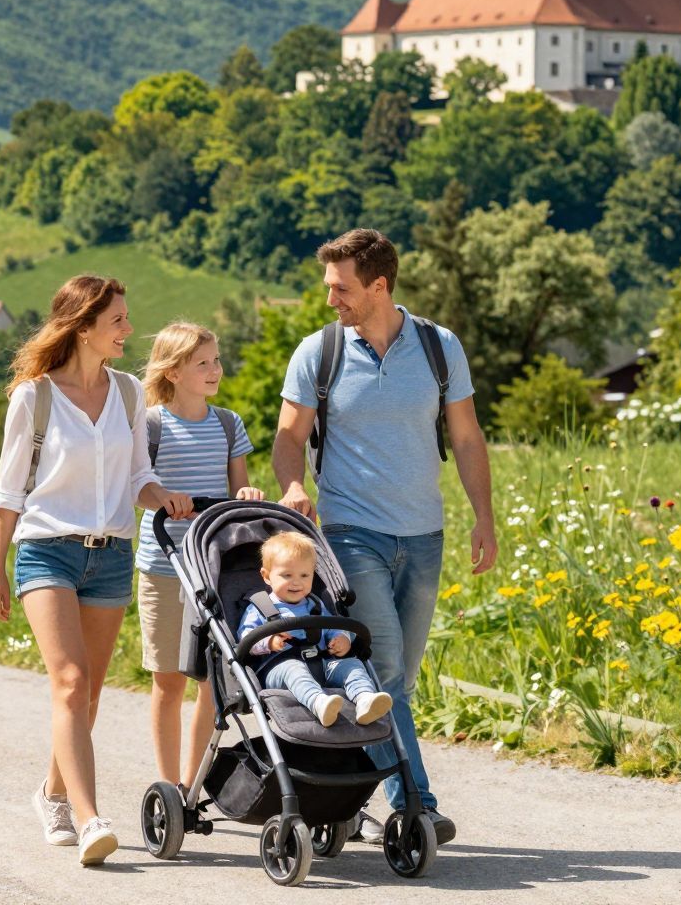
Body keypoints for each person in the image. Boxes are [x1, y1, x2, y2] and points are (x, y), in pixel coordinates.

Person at [272, 228, 496, 846]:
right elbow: (289, 439)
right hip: (349, 532)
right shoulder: (318, 352)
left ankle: (349, 797)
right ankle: (415, 806)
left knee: (394, 680)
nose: (330, 299)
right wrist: (294, 488)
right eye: (328, 287)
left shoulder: (437, 346)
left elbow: (469, 437)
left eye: (341, 288)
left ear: (379, 286)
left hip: (424, 533)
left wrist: (484, 517)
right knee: (387, 668)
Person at [0, 274, 194, 867]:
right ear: (83, 326)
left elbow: (136, 477)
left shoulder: (129, 394)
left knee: (89, 695)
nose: (130, 329)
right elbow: (9, 490)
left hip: (110, 556)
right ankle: (89, 818)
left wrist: (163, 496)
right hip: (47, 548)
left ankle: (52, 794)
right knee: (72, 683)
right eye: (118, 321)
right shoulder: (35, 397)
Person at [135, 321, 263, 788]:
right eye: (202, 363)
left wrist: (246, 492)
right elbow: (138, 488)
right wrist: (163, 496)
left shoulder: (228, 423)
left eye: (216, 361)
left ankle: (192, 784)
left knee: (211, 682)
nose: (215, 370)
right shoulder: (150, 424)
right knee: (168, 681)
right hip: (164, 567)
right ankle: (169, 786)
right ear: (172, 372)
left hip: (213, 566)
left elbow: (237, 488)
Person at [237, 532, 392, 727]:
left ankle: (365, 698)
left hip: (320, 662)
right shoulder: (260, 607)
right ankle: (318, 703)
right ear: (266, 576)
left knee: (351, 664)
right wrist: (268, 641)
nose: (296, 582)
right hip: (278, 669)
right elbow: (245, 638)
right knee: (294, 669)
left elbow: (331, 627)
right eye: (287, 575)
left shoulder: (315, 605)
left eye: (304, 575)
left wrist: (341, 638)